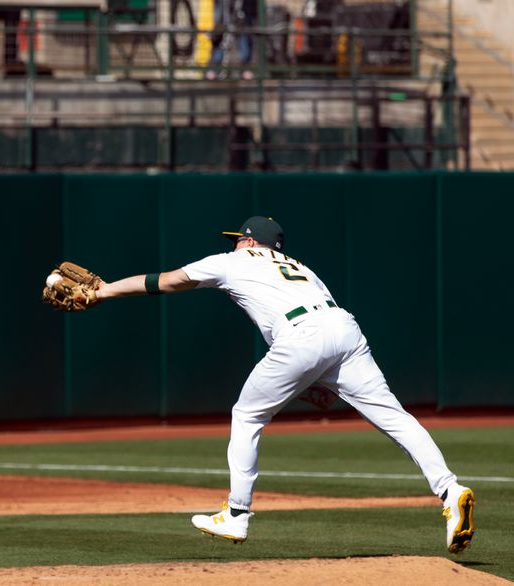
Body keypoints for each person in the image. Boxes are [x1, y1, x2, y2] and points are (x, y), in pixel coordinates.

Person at [94, 216, 475, 554]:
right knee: (395, 417)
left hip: (300, 333)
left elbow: (167, 281)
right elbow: (320, 350)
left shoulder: (231, 261)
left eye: (236, 239)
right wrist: (316, 384)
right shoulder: (302, 268)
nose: (233, 244)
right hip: (343, 329)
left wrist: (104, 290)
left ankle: (237, 514)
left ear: (247, 240)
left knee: (246, 415)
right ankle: (450, 489)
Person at [206, 0, 257, 80]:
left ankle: (245, 68)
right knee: (220, 32)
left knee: (245, 34)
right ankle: (214, 68)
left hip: (244, 7)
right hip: (224, 6)